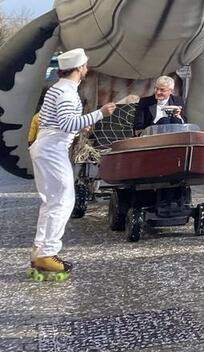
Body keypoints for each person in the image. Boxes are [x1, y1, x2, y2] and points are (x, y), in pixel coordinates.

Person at [28, 49, 117, 278]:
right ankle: (48, 253)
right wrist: (100, 113)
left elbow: (61, 121)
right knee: (64, 200)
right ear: (79, 68)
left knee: (50, 200)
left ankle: (39, 250)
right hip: (53, 149)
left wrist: (81, 125)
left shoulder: (56, 88)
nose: (87, 68)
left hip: (46, 146)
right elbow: (67, 124)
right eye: (85, 65)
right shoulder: (67, 92)